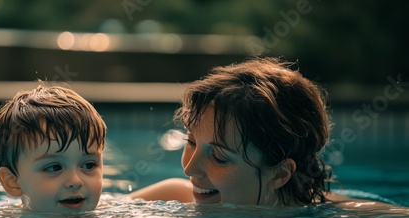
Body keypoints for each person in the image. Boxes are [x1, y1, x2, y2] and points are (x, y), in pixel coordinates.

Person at [130, 57, 348, 206]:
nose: (189, 169)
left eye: (219, 157)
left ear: (280, 173)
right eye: (191, 142)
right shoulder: (174, 196)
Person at [0, 84, 107, 212]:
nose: (75, 181)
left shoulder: (107, 213)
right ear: (13, 182)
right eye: (54, 168)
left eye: (88, 165)